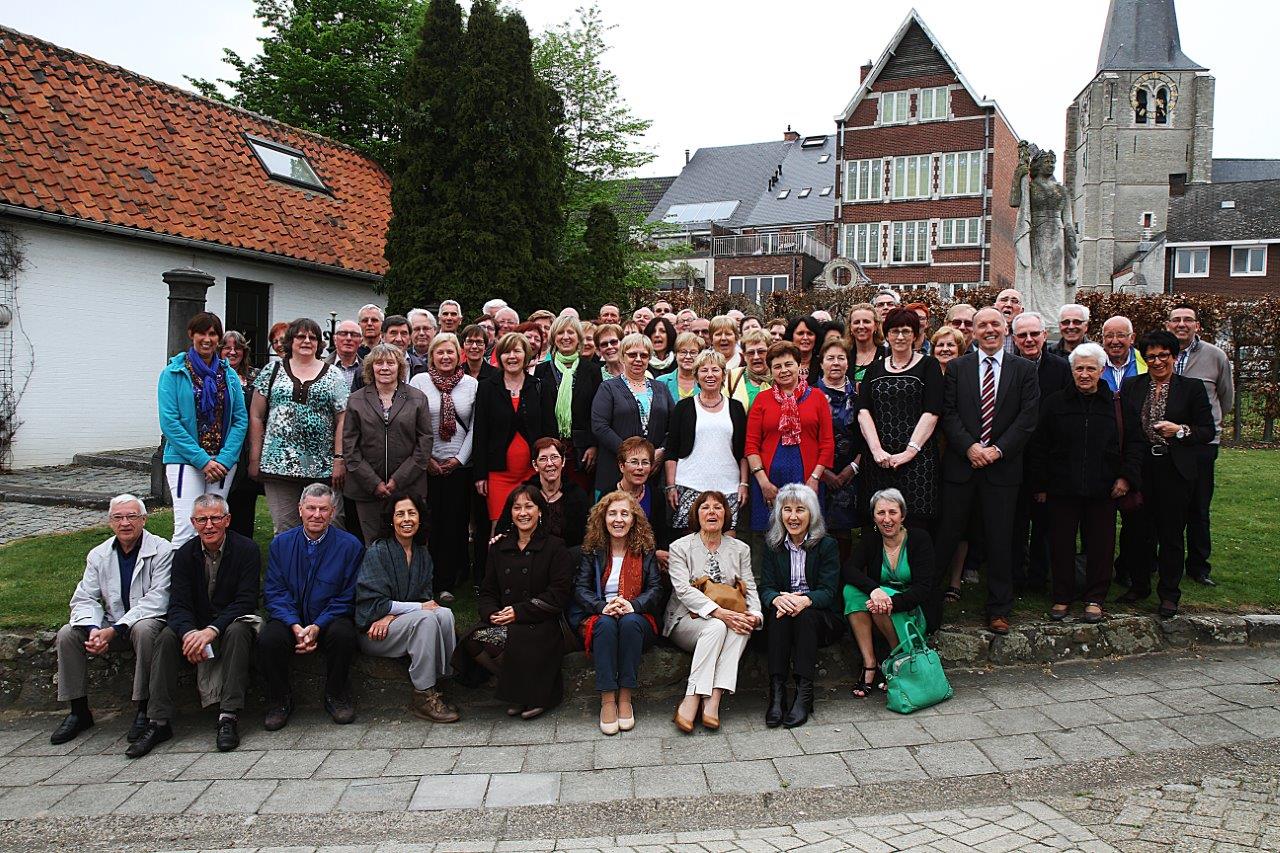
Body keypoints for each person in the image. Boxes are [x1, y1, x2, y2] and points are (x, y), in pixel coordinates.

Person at [933, 308, 1040, 635]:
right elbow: (948, 413)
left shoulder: (1023, 370)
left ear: (1005, 329)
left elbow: (1027, 417)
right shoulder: (958, 368)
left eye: (996, 324)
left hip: (1002, 470)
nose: (990, 330)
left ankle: (998, 608)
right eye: (983, 325)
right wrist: (970, 448)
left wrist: (996, 450)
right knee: (946, 537)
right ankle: (927, 604)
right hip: (961, 467)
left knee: (1000, 540)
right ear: (973, 333)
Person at [138, 494, 259, 757]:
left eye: (215, 518)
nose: (209, 525)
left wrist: (212, 630)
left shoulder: (247, 549)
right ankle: (158, 720)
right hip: (196, 625)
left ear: (227, 520)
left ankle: (228, 716)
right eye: (202, 519)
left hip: (229, 621)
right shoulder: (183, 555)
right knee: (168, 637)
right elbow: (178, 604)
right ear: (193, 522)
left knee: (239, 632)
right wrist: (190, 632)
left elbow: (246, 601)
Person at [1031, 344, 1143, 624]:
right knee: (1060, 545)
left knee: (1101, 545)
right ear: (1071, 371)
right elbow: (1039, 446)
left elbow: (1134, 444)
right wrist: (1041, 484)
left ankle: (1095, 598)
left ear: (1102, 371)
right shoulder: (1054, 403)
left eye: (1091, 368)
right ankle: (1062, 596)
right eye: (1079, 368)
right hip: (1061, 488)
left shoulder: (1118, 404)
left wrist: (1126, 477)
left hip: (1104, 489)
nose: (1084, 374)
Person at [49, 495, 171, 746]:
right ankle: (79, 710)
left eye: (132, 516)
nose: (125, 523)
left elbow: (158, 599)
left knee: (146, 630)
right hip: (110, 624)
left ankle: (143, 709)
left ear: (144, 520)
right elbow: (85, 598)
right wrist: (94, 630)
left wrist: (115, 629)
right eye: (118, 517)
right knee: (67, 634)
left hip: (142, 622)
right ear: (110, 522)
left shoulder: (162, 549)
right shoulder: (99, 554)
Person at [1117, 330, 1215, 618]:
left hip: (1174, 469)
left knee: (1171, 532)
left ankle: (1169, 594)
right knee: (1136, 531)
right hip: (1141, 466)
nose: (1157, 361)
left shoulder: (1191, 388)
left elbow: (1207, 430)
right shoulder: (1134, 386)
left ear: (1174, 356)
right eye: (1151, 357)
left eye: (1163, 355)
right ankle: (1139, 584)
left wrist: (1180, 431)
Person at [257, 483, 364, 729]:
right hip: (291, 620)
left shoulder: (350, 546)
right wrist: (294, 625)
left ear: (333, 512)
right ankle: (279, 699)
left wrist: (317, 625)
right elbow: (274, 592)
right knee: (268, 640)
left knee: (344, 635)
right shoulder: (281, 544)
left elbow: (348, 596)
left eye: (323, 509)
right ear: (300, 509)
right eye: (311, 508)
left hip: (327, 618)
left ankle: (336, 695)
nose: (317, 515)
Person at [463, 486, 574, 718]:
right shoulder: (499, 546)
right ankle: (517, 687)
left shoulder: (555, 546)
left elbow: (559, 594)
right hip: (505, 618)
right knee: (473, 639)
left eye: (529, 506)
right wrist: (491, 613)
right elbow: (487, 591)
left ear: (540, 511)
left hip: (542, 620)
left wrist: (518, 612)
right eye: (517, 507)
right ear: (510, 513)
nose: (523, 513)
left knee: (521, 637)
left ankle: (534, 695)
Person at [356, 494, 460, 722]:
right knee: (426, 618)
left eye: (412, 513)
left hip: (395, 624)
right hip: (375, 633)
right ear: (391, 520)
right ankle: (422, 695)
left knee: (444, 614)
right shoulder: (378, 551)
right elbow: (372, 605)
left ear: (420, 519)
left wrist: (392, 615)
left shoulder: (422, 553)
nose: (407, 519)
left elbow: (425, 600)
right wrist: (404, 610)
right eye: (400, 513)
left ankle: (440, 683)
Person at [665, 490, 760, 732]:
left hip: (726, 618)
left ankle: (713, 700)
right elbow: (683, 590)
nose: (712, 512)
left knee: (742, 627)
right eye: (705, 507)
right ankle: (692, 697)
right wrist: (719, 613)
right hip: (686, 620)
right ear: (696, 515)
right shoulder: (680, 547)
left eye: (718, 507)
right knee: (719, 625)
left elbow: (749, 587)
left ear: (726, 515)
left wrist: (755, 615)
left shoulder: (740, 549)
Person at [573, 491, 663, 735]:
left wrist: (632, 605)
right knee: (605, 624)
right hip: (600, 614)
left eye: (625, 513)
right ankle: (607, 699)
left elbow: (655, 590)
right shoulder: (592, 550)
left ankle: (625, 697)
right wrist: (603, 606)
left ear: (634, 519)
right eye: (612, 513)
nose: (618, 519)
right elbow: (580, 589)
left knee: (629, 622)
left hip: (637, 617)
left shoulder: (645, 550)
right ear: (603, 518)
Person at [249, 318, 350, 534]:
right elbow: (256, 416)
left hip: (322, 466)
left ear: (319, 343)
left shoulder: (333, 374)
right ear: (290, 340)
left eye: (312, 337)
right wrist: (255, 459)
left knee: (328, 526)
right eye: (300, 336)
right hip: (278, 466)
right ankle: (290, 568)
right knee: (286, 530)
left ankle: (325, 568)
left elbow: (343, 418)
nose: (307, 341)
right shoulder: (272, 370)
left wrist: (339, 459)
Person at [158, 312, 249, 545]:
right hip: (185, 460)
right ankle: (178, 582)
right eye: (202, 333)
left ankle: (213, 580)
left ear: (218, 338)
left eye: (212, 333)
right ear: (191, 335)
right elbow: (170, 422)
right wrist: (202, 460)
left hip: (221, 463)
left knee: (216, 528)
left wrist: (226, 459)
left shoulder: (228, 375)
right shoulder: (174, 373)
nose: (207, 339)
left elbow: (240, 419)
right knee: (188, 529)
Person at [759, 484, 843, 729]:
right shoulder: (773, 545)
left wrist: (805, 600)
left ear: (812, 514)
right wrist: (776, 599)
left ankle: (804, 694)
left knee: (804, 617)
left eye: (800, 510)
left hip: (821, 617)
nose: (793, 517)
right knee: (778, 614)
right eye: (787, 510)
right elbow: (766, 587)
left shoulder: (827, 545)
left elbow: (829, 592)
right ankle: (776, 695)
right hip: (785, 613)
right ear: (779, 513)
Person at [856, 308, 943, 532]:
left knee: (915, 525)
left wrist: (909, 452)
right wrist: (876, 451)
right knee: (877, 524)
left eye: (906, 331)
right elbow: (863, 411)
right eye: (895, 331)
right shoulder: (875, 368)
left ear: (915, 334)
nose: (901, 337)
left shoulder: (929, 366)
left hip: (918, 461)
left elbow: (932, 411)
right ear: (886, 334)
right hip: (878, 462)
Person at [843, 488, 934, 698]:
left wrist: (891, 601)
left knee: (878, 604)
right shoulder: (871, 540)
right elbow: (849, 570)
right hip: (881, 605)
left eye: (892, 512)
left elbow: (923, 589)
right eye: (880, 513)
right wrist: (875, 590)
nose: (887, 519)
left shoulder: (919, 539)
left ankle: (898, 660)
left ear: (902, 515)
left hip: (912, 609)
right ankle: (870, 663)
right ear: (874, 517)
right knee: (851, 591)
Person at [1167, 304, 1234, 587]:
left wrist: (1210, 428)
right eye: (1176, 320)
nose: (1182, 324)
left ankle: (1198, 566)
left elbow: (1225, 397)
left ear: (1197, 326)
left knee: (1198, 506)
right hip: (1169, 440)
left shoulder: (1215, 356)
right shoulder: (1162, 353)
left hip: (1201, 443)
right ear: (1168, 325)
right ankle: (1164, 560)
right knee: (1168, 505)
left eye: (1188, 320)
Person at [342, 343, 433, 546]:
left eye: (390, 363)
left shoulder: (417, 398)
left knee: (411, 543)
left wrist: (397, 480)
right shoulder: (356, 400)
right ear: (370, 367)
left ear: (399, 367)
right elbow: (350, 447)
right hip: (367, 489)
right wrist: (374, 483)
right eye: (379, 363)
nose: (384, 367)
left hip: (408, 487)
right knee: (375, 545)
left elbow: (424, 443)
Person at [410, 333, 478, 599]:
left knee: (454, 524)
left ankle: (447, 581)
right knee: (427, 524)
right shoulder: (419, 381)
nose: (445, 357)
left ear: (459, 354)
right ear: (432, 355)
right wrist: (426, 459)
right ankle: (424, 579)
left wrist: (459, 459)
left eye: (450, 352)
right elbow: (412, 422)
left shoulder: (471, 384)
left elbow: (475, 426)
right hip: (426, 465)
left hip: (459, 466)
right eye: (440, 352)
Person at [746, 341, 835, 539]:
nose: (783, 370)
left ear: (799, 366)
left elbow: (827, 443)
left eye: (788, 364)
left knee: (808, 536)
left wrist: (815, 478)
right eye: (777, 366)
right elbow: (751, 445)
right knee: (770, 540)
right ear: (771, 371)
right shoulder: (762, 400)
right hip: (770, 483)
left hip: (808, 480)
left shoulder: (818, 397)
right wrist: (763, 482)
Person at [1010, 312, 1071, 594]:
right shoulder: (1008, 368)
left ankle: (1039, 576)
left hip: (1049, 456)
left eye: (1034, 334)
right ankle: (1016, 575)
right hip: (1015, 456)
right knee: (1016, 522)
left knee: (1045, 523)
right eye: (1022, 335)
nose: (1029, 340)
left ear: (1045, 335)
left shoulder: (1061, 368)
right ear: (1014, 339)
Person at [474, 332, 558, 532]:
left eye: (517, 351)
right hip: (498, 474)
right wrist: (480, 474)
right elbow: (480, 433)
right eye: (506, 352)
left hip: (533, 474)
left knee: (532, 526)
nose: (512, 357)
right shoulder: (487, 388)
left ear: (526, 355)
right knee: (499, 527)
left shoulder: (540, 387)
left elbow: (550, 431)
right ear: (499, 357)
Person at [664, 350, 748, 530]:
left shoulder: (736, 408)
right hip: (689, 485)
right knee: (690, 547)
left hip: (728, 487)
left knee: (727, 546)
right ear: (696, 375)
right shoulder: (683, 407)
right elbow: (671, 450)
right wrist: (671, 486)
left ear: (723, 374)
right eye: (704, 370)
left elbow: (743, 451)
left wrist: (744, 483)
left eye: (715, 370)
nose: (710, 375)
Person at [590, 332, 674, 498]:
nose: (638, 359)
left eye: (643, 355)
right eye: (632, 354)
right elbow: (599, 426)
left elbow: (673, 427)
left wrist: (661, 451)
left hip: (652, 471)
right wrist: (630, 455)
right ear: (622, 356)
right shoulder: (608, 388)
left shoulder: (661, 388)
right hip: (614, 469)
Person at [495, 437, 590, 548]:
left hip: (566, 558)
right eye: (543, 459)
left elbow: (584, 539)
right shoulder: (522, 495)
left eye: (554, 457)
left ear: (563, 461)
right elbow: (502, 530)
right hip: (529, 559)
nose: (549, 463)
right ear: (535, 465)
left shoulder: (577, 496)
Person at [533, 314, 589, 486]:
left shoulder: (591, 370)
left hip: (581, 450)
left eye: (571, 332)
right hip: (550, 448)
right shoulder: (541, 370)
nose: (565, 337)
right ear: (553, 338)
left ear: (579, 338)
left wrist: (592, 445)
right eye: (560, 333)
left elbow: (596, 411)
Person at [815, 338, 861, 539]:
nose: (835, 363)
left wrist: (851, 469)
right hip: (817, 475)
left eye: (840, 358)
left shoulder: (859, 394)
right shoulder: (810, 394)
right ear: (821, 363)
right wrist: (823, 473)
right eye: (830, 358)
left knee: (845, 537)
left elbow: (868, 436)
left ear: (848, 363)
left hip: (852, 473)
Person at [223, 330, 265, 538]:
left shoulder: (255, 377)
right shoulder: (213, 376)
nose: (232, 352)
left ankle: (242, 550)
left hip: (248, 448)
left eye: (237, 348)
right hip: (222, 448)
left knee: (244, 503)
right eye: (227, 348)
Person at [726, 328, 773, 409]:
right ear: (744, 355)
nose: (756, 357)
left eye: (761, 351)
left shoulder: (780, 377)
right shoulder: (732, 377)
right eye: (750, 353)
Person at [1100, 316, 1146, 393]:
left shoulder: (1146, 361)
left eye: (1120, 335)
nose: (1115, 341)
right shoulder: (1094, 362)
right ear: (1103, 339)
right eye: (1109, 336)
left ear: (1132, 338)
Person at [657, 331, 702, 402]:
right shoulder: (661, 382)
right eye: (683, 352)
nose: (688, 356)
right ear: (675, 355)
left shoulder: (706, 382)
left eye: (693, 353)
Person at [846, 303, 881, 389]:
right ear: (850, 327)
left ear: (876, 326)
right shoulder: (844, 356)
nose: (861, 326)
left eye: (866, 321)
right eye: (856, 322)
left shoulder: (888, 355)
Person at [327, 320, 365, 391]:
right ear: (335, 339)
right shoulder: (321, 368)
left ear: (361, 341)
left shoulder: (368, 370)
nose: (348, 338)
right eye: (343, 334)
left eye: (354, 335)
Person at [785, 315, 822, 383]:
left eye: (810, 334)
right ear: (791, 336)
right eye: (800, 333)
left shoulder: (823, 365)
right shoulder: (782, 363)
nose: (805, 337)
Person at [406, 308, 437, 375]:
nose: (421, 333)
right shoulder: (404, 357)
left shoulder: (442, 357)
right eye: (416, 329)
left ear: (434, 330)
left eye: (426, 328)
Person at [993, 288, 1025, 354]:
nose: (1008, 304)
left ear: (1021, 311)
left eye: (1014, 301)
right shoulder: (981, 332)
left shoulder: (1029, 335)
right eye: (1004, 300)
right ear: (994, 307)